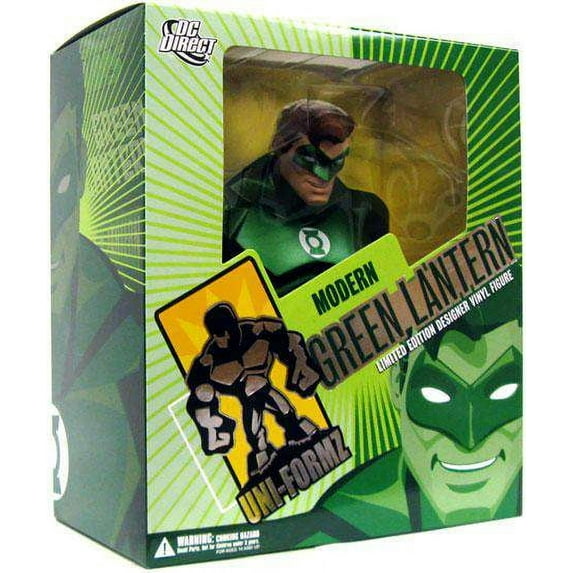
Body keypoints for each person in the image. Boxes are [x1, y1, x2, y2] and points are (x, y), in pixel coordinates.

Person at [266, 267, 522, 542]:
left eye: (504, 393)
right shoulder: (338, 522)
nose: (469, 440)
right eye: (435, 396)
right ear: (398, 385)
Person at [224, 99, 389, 295]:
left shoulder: (365, 213)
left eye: (337, 161)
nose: (323, 176)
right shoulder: (230, 212)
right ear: (279, 146)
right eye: (310, 159)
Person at [185, 302, 321, 476]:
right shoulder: (210, 356)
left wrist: (298, 362)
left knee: (283, 410)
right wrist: (202, 375)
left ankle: (295, 432)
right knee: (255, 428)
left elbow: (288, 339)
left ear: (232, 328)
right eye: (218, 335)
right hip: (248, 395)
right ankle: (263, 453)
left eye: (225, 332)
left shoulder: (255, 331)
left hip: (261, 386)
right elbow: (195, 383)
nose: (223, 339)